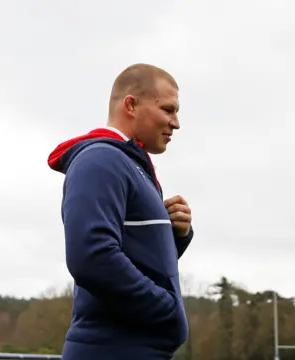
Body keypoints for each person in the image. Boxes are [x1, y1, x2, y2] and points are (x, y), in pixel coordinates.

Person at [47, 64, 194, 360]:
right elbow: (92, 257)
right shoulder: (101, 160)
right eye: (168, 109)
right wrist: (167, 309)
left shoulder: (132, 165)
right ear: (131, 104)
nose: (176, 122)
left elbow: (138, 259)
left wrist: (175, 235)